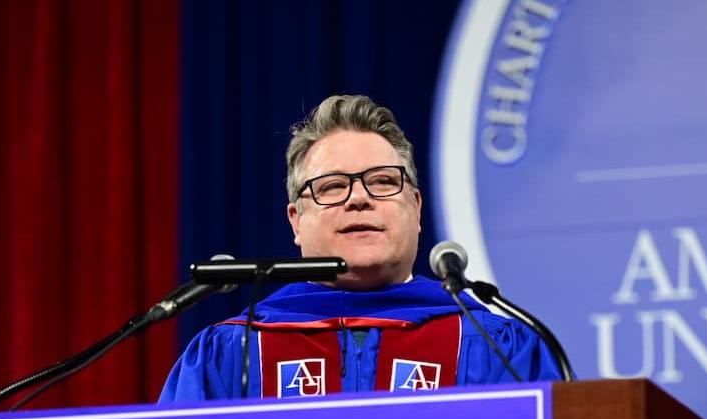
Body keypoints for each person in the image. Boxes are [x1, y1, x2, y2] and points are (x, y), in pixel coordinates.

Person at [159, 95, 561, 401]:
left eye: (384, 182)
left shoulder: (496, 346)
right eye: (333, 187)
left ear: (416, 208)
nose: (359, 199)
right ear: (295, 221)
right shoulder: (233, 352)